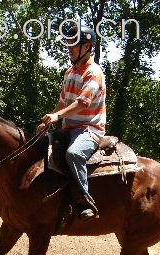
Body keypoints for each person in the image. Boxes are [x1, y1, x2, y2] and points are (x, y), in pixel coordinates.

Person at [37, 25, 107, 221]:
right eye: (68, 44)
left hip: (89, 130)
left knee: (74, 154)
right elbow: (63, 101)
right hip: (68, 129)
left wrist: (57, 117)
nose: (69, 48)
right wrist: (49, 119)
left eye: (74, 45)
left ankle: (85, 202)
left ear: (87, 47)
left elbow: (82, 103)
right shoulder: (69, 72)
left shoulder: (93, 72)